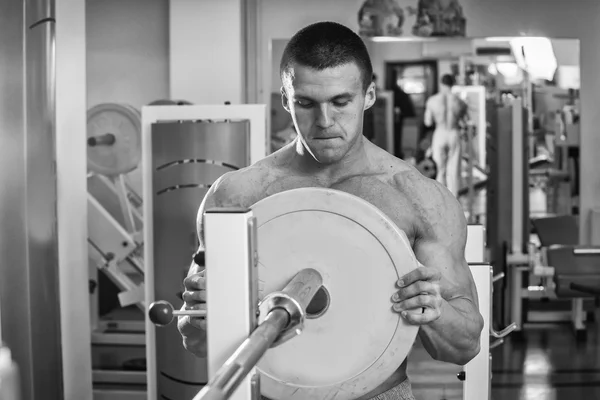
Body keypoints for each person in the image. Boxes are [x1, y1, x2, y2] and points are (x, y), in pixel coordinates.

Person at [178, 21, 483, 400]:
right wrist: (201, 312)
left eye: (341, 102)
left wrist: (434, 310)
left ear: (368, 95)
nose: (324, 122)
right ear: (287, 100)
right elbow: (194, 338)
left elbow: (465, 345)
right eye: (306, 103)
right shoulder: (238, 194)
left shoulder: (418, 197)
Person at [424, 74, 468, 197]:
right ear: (452, 84)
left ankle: (440, 198)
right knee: (453, 170)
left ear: (441, 84)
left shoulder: (432, 100)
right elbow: (464, 122)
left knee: (440, 169)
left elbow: (427, 122)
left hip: (440, 133)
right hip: (453, 132)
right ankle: (453, 199)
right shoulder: (460, 102)